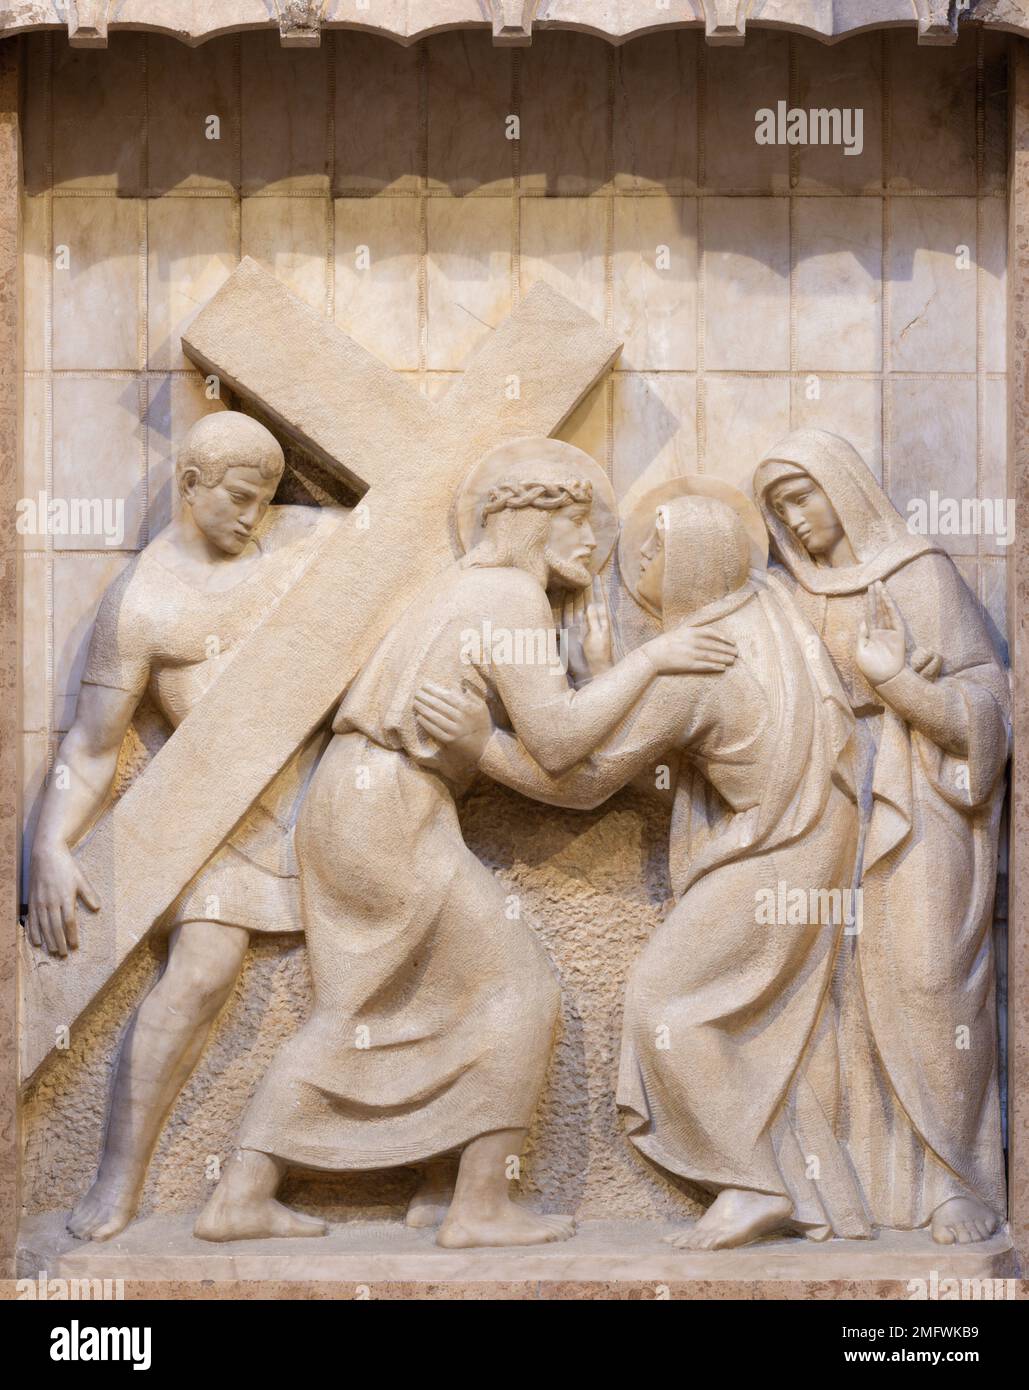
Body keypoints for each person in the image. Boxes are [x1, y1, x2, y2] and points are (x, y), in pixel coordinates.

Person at [195, 440, 735, 1249]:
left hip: (358, 800)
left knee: (378, 1004)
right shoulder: (511, 599)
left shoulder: (457, 589)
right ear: (528, 518)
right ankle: (479, 1206)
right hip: (391, 809)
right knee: (518, 993)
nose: (596, 542)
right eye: (582, 519)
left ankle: (417, 1184)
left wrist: (586, 673)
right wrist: (652, 659)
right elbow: (554, 742)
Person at [414, 490, 867, 1250]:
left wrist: (477, 744)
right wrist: (616, 673)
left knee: (665, 1006)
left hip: (773, 852)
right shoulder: (762, 612)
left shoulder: (693, 664)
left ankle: (753, 1184)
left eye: (655, 550)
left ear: (693, 561)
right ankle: (768, 1175)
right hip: (810, 840)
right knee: (703, 1009)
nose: (635, 562)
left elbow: (579, 780)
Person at [26, 411, 340, 1241]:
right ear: (190, 484)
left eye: (267, 501)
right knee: (200, 972)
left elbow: (409, 533)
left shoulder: (305, 538)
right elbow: (94, 747)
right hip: (217, 817)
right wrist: (50, 845)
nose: (253, 517)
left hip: (330, 800)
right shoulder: (142, 602)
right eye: (238, 497)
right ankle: (119, 1180)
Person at [753, 429, 1009, 1246]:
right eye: (778, 506)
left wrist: (897, 685)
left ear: (844, 488)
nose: (792, 518)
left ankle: (954, 1177)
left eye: (803, 496)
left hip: (918, 798)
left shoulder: (915, 573)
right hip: (818, 800)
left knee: (929, 979)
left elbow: (987, 710)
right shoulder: (780, 594)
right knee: (829, 993)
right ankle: (840, 1184)